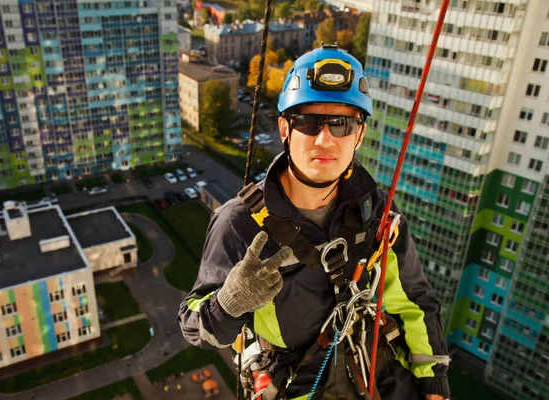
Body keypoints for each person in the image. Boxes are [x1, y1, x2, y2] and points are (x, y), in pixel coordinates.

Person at [178, 45, 450, 400]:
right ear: (284, 129)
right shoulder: (241, 224)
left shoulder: (377, 213)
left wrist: (434, 384)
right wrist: (228, 304)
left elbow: (413, 301)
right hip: (295, 383)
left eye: (342, 123)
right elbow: (192, 325)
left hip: (372, 369)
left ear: (360, 135)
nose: (325, 139)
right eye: (307, 122)